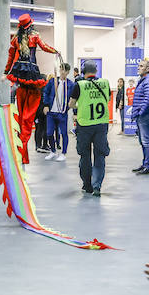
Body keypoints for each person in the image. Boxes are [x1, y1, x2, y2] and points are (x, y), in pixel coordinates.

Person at [5, 13, 60, 165]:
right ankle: (22, 149)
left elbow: (10, 58)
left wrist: (6, 72)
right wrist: (55, 51)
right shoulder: (35, 36)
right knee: (27, 117)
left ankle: (20, 150)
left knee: (23, 115)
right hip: (32, 74)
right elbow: (44, 47)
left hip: (20, 74)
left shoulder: (15, 39)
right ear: (31, 25)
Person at [71, 60, 111, 195]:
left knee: (85, 155)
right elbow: (108, 99)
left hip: (84, 125)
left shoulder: (79, 85)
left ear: (83, 72)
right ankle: (97, 185)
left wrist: (79, 106)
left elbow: (71, 104)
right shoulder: (105, 83)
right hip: (101, 125)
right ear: (96, 71)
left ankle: (87, 185)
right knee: (100, 155)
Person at [130, 59, 149, 174]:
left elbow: (148, 99)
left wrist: (140, 112)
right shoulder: (144, 80)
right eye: (138, 66)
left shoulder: (148, 81)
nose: (139, 68)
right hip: (142, 115)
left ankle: (148, 166)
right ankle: (145, 164)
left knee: (146, 141)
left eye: (141, 66)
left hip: (145, 116)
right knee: (143, 141)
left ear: (148, 69)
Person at [43, 63, 75, 162]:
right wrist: (46, 105)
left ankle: (63, 153)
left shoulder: (71, 85)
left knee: (64, 133)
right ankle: (52, 151)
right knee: (49, 133)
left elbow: (73, 98)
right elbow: (46, 92)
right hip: (51, 112)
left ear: (68, 72)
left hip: (62, 113)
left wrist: (70, 108)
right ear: (59, 70)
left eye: (65, 70)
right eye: (61, 69)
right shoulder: (52, 81)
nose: (63, 72)